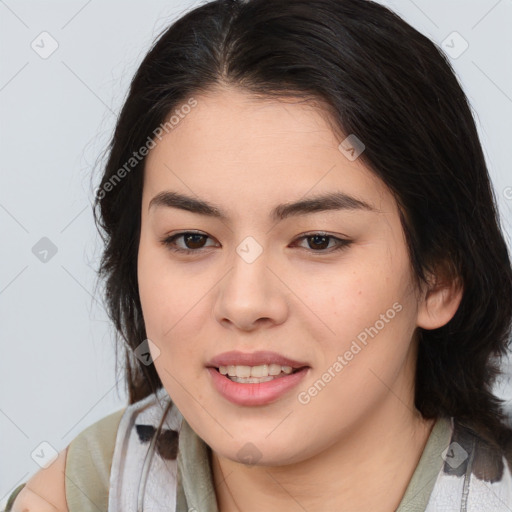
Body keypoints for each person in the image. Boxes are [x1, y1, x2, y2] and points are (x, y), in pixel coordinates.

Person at [6, 0, 512, 510]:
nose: (245, 304)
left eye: (318, 241)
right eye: (192, 239)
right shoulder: (76, 497)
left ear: (440, 277)